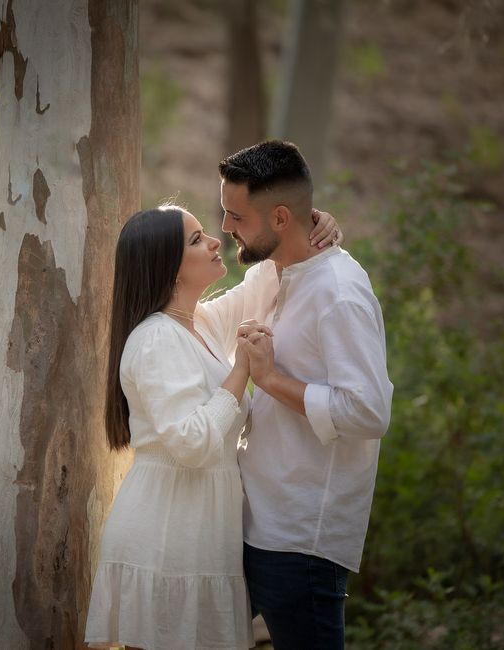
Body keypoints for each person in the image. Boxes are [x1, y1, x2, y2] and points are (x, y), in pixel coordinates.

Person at [84, 202, 340, 650]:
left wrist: (307, 224)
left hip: (200, 536)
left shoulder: (197, 325)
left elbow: (262, 280)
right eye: (197, 238)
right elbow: (193, 443)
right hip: (166, 540)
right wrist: (241, 369)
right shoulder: (155, 339)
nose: (215, 241)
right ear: (169, 266)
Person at [219, 140, 394, 650]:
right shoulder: (271, 274)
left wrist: (270, 380)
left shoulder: (339, 293)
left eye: (235, 216)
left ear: (278, 217)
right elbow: (200, 322)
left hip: (301, 537)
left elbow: (368, 411)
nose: (226, 227)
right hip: (255, 520)